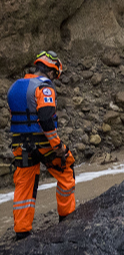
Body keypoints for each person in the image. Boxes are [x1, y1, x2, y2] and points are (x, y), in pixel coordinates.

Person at [6, 51, 76, 240]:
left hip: (21, 146)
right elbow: (45, 119)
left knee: (24, 184)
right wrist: (58, 146)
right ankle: (67, 218)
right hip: (44, 143)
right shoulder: (45, 88)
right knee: (66, 169)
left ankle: (22, 232)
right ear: (52, 71)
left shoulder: (14, 87)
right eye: (55, 74)